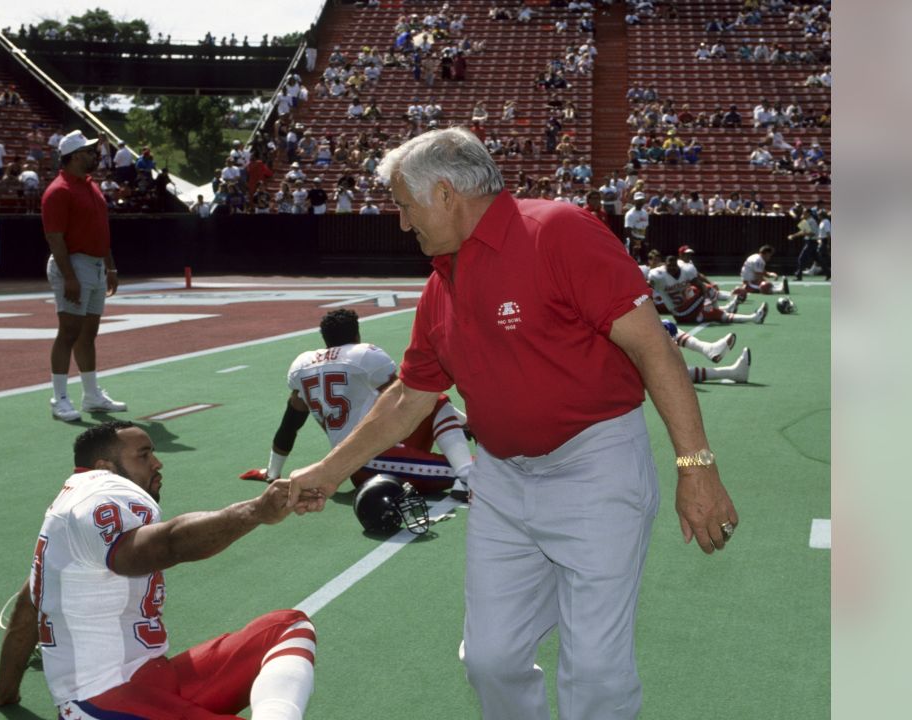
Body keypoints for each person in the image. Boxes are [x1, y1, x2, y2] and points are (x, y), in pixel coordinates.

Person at [285, 128, 738, 720]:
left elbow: (655, 348)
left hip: (594, 468)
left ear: (445, 193)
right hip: (501, 479)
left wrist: (696, 466)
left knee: (597, 670)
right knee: (489, 659)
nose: (401, 222)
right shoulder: (440, 286)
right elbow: (411, 396)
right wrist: (326, 471)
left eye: (403, 204)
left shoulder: (557, 231)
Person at [0, 421, 316, 720]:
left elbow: (29, 606)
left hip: (150, 679)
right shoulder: (102, 490)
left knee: (286, 626)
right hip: (105, 702)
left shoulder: (68, 516)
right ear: (105, 467)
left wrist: (5, 689)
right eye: (144, 455)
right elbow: (164, 546)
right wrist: (254, 512)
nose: (157, 463)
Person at [243, 308, 474, 499]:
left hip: (359, 454)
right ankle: (465, 476)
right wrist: (467, 423)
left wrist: (272, 473)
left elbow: (289, 425)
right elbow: (409, 400)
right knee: (485, 471)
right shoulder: (363, 355)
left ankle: (463, 474)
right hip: (369, 458)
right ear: (356, 336)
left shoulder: (302, 366)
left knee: (434, 399)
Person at [41, 131, 129, 422]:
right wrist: (69, 276)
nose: (95, 155)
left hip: (94, 266)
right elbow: (55, 237)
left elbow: (100, 230)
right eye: (90, 151)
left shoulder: (90, 186)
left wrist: (111, 266)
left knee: (88, 333)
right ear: (76, 155)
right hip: (75, 265)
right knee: (68, 331)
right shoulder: (59, 190)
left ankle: (91, 396)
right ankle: (60, 399)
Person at [649, 255, 766, 326]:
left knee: (718, 315)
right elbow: (647, 290)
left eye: (674, 266)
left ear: (678, 266)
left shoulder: (686, 270)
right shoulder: (657, 275)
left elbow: (698, 284)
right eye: (669, 266)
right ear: (665, 266)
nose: (672, 269)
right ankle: (715, 307)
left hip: (690, 309)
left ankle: (753, 318)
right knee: (708, 290)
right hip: (679, 312)